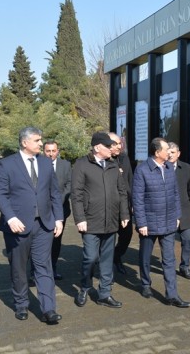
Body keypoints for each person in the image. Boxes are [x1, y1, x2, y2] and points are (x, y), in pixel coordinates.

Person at [0, 127, 64, 324]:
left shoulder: (46, 163)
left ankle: (48, 309)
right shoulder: (7, 164)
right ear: (24, 143)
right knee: (18, 267)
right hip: (17, 226)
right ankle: (21, 304)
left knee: (44, 266)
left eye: (40, 140)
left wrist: (58, 219)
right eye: (37, 140)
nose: (41, 144)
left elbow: (54, 193)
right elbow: (0, 194)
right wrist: (10, 217)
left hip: (44, 225)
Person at [72, 132, 129, 309]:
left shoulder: (113, 165)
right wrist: (80, 218)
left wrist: (124, 214)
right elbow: (76, 195)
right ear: (98, 148)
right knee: (90, 257)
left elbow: (121, 191)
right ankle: (85, 287)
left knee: (107, 259)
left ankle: (105, 293)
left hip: (111, 220)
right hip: (90, 221)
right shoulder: (81, 165)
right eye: (109, 146)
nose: (113, 148)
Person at [133, 137, 190, 308]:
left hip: (169, 221)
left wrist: (178, 215)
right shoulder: (142, 170)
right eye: (166, 149)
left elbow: (175, 194)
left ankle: (172, 295)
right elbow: (138, 199)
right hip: (149, 223)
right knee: (145, 256)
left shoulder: (169, 168)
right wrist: (141, 223)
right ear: (158, 152)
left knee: (169, 259)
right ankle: (145, 284)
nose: (170, 152)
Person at [167, 142, 190, 280]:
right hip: (168, 212)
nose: (170, 155)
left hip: (185, 211)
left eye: (173, 152)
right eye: (168, 152)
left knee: (188, 239)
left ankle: (185, 267)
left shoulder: (185, 167)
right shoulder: (162, 168)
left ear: (178, 154)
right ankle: (169, 267)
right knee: (168, 242)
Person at [44, 140, 73, 280]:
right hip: (42, 210)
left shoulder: (66, 165)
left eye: (53, 151)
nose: (50, 154)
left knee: (56, 240)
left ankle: (53, 268)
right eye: (48, 151)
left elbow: (69, 185)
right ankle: (35, 271)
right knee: (40, 241)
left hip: (60, 210)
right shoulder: (37, 164)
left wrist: (57, 202)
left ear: (58, 151)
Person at [110, 131, 134, 275]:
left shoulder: (124, 158)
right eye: (116, 144)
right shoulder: (103, 160)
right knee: (107, 238)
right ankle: (105, 265)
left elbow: (129, 181)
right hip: (108, 206)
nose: (120, 146)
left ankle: (116, 256)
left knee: (127, 235)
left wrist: (132, 204)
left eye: (120, 143)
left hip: (124, 206)